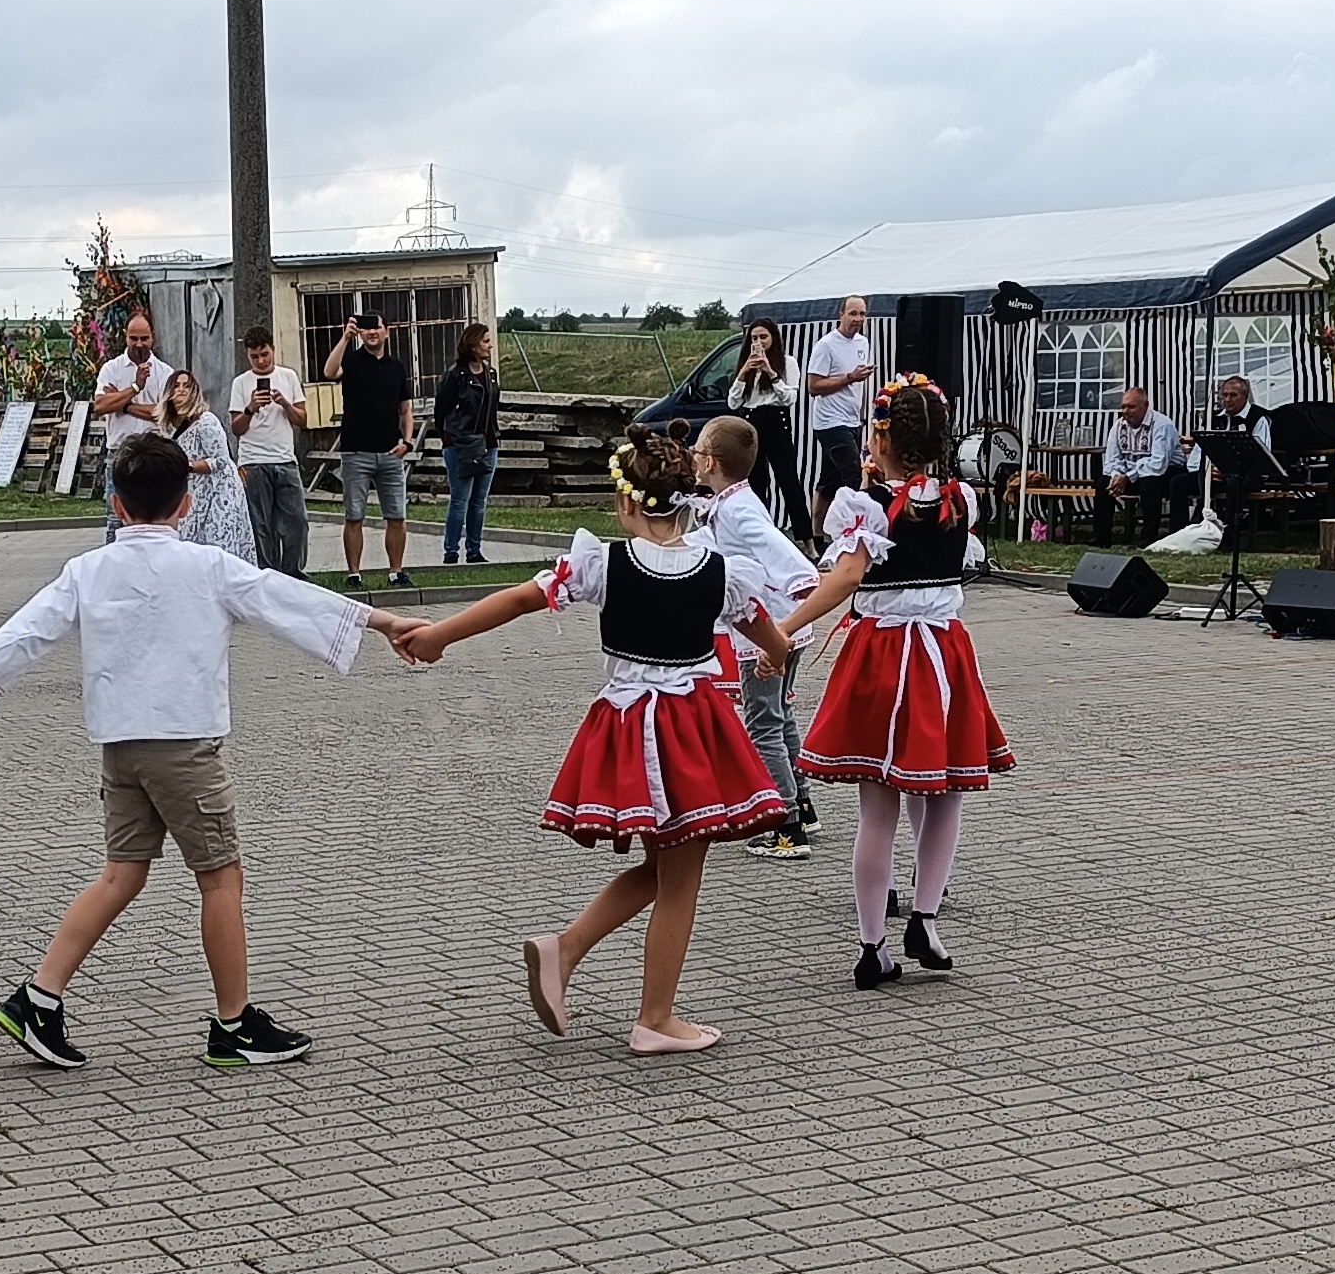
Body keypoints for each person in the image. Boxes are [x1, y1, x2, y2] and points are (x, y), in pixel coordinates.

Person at [0, 431, 397, 1071]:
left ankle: (37, 1000)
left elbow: (29, 629)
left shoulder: (87, 569)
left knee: (122, 873)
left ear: (116, 504)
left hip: (120, 746)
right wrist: (384, 622)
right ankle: (234, 1025)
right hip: (183, 747)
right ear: (187, 504)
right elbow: (285, 598)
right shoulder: (208, 566)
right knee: (221, 877)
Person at [388, 427, 799, 1058]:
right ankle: (655, 1017)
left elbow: (519, 600)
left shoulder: (604, 563)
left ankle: (565, 950)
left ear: (628, 503)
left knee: (660, 868)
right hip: (691, 730)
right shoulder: (721, 573)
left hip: (628, 726)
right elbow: (772, 638)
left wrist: (442, 634)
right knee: (680, 879)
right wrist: (774, 656)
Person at [786, 380, 1016, 989]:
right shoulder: (961, 499)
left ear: (882, 440)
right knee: (944, 793)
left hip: (883, 655)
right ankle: (925, 919)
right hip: (942, 653)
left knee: (878, 806)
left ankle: (872, 946)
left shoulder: (861, 506)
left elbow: (844, 580)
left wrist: (784, 628)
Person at [697, 414, 821, 851]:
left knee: (762, 724)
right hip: (783, 626)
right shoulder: (734, 500)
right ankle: (801, 802)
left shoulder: (737, 509)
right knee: (779, 715)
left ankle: (785, 825)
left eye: (697, 451)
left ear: (710, 462)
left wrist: (800, 578)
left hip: (766, 631)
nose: (693, 457)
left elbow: (771, 543)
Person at [321, 307, 418, 588]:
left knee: (396, 516)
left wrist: (407, 442)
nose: (372, 332)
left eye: (377, 327)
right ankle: (354, 574)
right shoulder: (351, 360)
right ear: (361, 332)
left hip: (390, 453)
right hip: (356, 452)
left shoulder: (396, 367)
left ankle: (396, 571)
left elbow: (405, 409)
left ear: (387, 331)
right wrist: (345, 338)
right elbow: (329, 372)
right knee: (354, 516)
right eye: (367, 327)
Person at [229, 326, 311, 575]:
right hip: (252, 462)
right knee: (259, 525)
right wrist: (250, 408)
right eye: (254, 357)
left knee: (297, 521)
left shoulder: (288, 376)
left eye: (264, 354)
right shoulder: (241, 383)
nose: (261, 361)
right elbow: (236, 429)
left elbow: (303, 420)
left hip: (285, 459)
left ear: (273, 349)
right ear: (247, 355)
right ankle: (265, 574)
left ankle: (292, 574)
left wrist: (285, 403)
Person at [88, 311, 175, 533]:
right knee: (116, 519)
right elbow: (101, 405)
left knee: (154, 518)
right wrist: (135, 388)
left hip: (154, 453)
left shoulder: (165, 373)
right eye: (133, 338)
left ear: (153, 336)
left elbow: (164, 413)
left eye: (144, 338)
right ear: (125, 336)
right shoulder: (111, 369)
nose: (139, 344)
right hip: (120, 453)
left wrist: (123, 404)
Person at [727, 319, 810, 534]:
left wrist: (771, 373)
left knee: (788, 481)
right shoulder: (746, 364)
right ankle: (760, 533)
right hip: (750, 423)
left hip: (775, 421)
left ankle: (807, 540)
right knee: (755, 483)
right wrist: (743, 372)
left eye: (763, 337)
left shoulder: (787, 362)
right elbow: (733, 402)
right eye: (754, 338)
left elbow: (790, 398)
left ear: (773, 337)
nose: (759, 342)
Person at [166, 369, 256, 560]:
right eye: (176, 385)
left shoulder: (206, 421)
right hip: (194, 491)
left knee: (219, 545)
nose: (181, 390)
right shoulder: (167, 424)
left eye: (187, 386)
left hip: (219, 491)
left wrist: (187, 466)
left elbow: (220, 460)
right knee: (190, 543)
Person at [435, 320, 504, 566]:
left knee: (479, 500)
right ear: (473, 345)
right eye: (486, 341)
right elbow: (441, 410)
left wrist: (492, 437)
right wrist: (449, 439)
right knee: (460, 499)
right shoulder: (455, 374)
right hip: (460, 444)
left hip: (488, 443)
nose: (490, 346)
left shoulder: (490, 374)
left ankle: (474, 550)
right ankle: (451, 551)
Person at [802, 295, 881, 506]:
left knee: (829, 482)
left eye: (862, 314)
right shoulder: (826, 345)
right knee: (855, 474)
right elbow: (813, 387)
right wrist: (850, 378)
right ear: (841, 314)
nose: (858, 319)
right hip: (830, 422)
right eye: (853, 313)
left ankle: (817, 527)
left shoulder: (863, 342)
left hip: (853, 419)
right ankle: (860, 521)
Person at [1092, 385, 1192, 543]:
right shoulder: (1118, 426)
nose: (1126, 411)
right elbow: (1112, 459)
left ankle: (1148, 537)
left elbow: (1158, 464)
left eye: (1131, 407)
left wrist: (1128, 477)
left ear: (1145, 406)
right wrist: (1117, 476)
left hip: (1168, 472)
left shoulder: (1162, 424)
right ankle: (1101, 536)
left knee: (1150, 483)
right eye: (1123, 407)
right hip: (1134, 474)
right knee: (1103, 483)